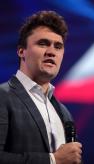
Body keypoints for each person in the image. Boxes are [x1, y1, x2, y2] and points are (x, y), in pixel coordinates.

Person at [0, 10, 82, 164]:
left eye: (58, 47)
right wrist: (52, 160)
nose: (51, 52)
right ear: (21, 51)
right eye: (43, 43)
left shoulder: (64, 112)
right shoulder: (2, 97)